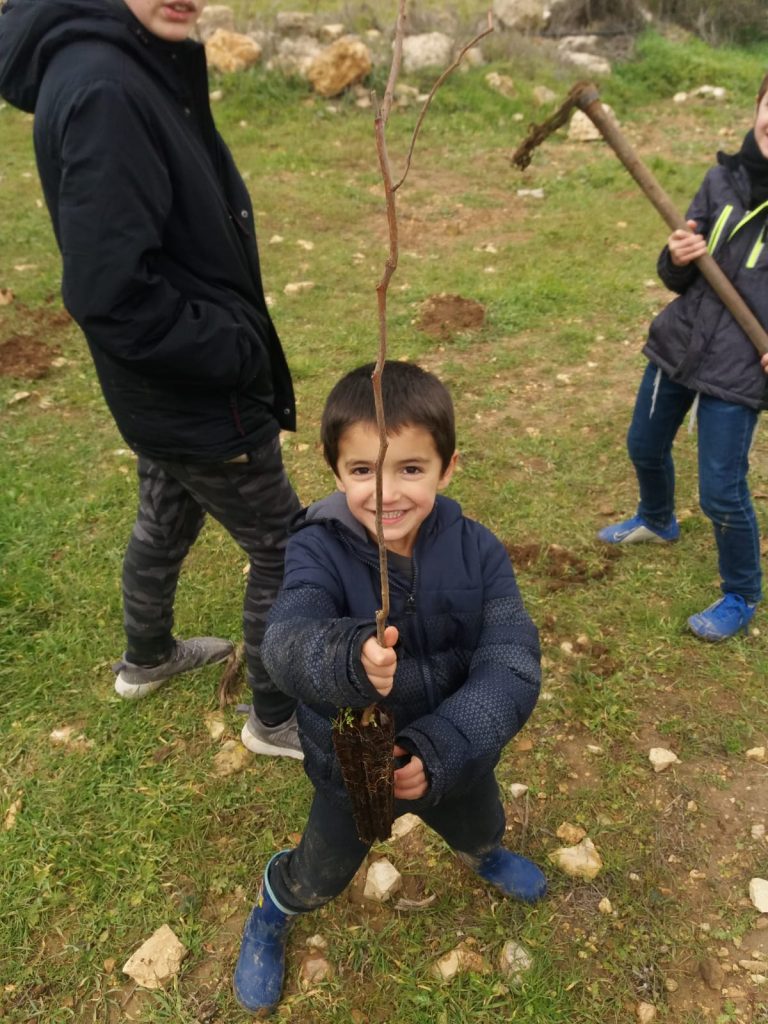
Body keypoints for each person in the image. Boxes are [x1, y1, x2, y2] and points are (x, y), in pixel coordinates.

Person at [0, 0, 305, 756]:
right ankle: (274, 717)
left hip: (158, 396)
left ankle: (147, 657)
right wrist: (235, 351)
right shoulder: (106, 85)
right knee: (285, 547)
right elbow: (110, 294)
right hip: (198, 389)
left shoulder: (119, 58)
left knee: (167, 514)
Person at [232, 360, 546, 1014]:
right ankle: (275, 907)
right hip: (352, 776)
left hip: (451, 762)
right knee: (321, 871)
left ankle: (483, 855)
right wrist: (349, 657)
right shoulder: (317, 550)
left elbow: (510, 660)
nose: (385, 494)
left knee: (484, 823)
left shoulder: (479, 552)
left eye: (410, 468)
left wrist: (444, 750)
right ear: (335, 470)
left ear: (448, 468)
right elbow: (285, 641)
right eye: (362, 471)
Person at [598, 71, 768, 642]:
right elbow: (676, 276)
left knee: (721, 489)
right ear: (757, 105)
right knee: (643, 444)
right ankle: (657, 518)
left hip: (743, 365)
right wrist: (678, 253)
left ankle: (742, 592)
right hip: (682, 341)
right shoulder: (721, 180)